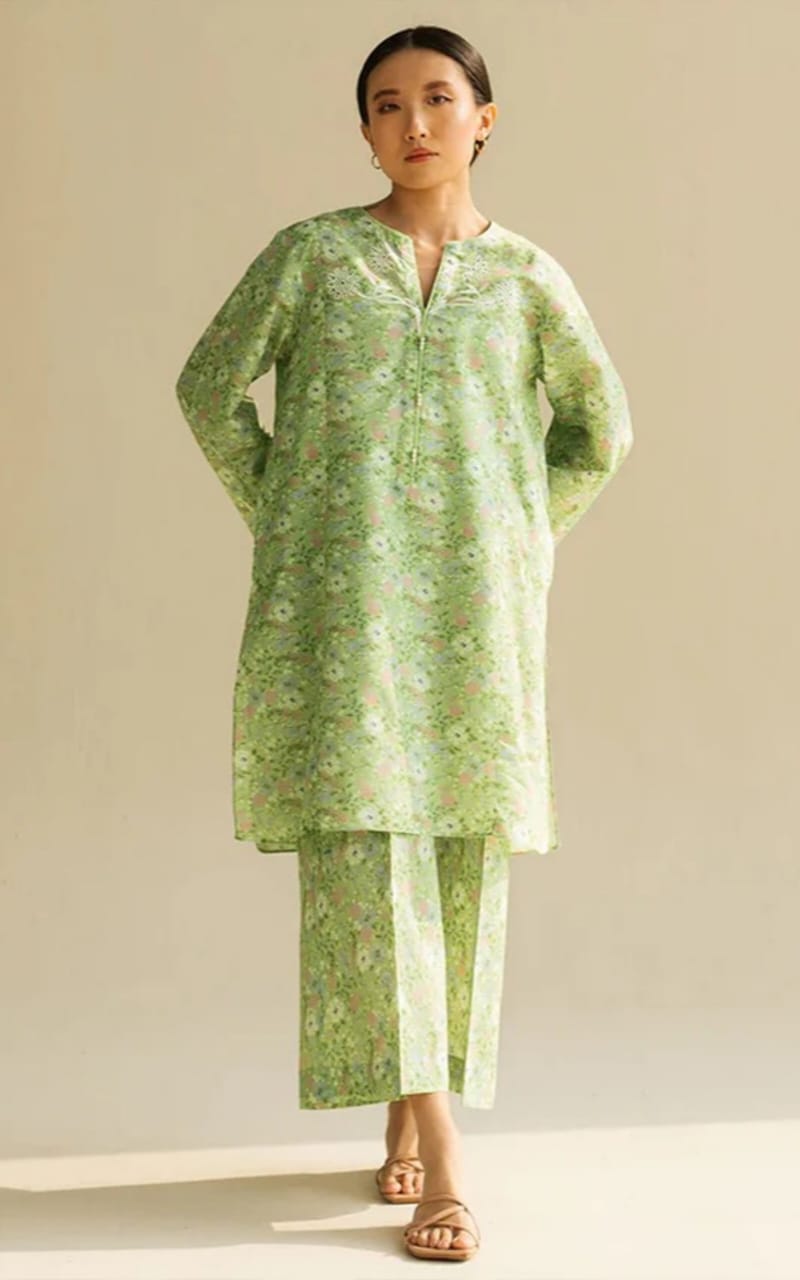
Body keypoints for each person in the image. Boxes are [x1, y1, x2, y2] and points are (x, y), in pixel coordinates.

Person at [175, 23, 634, 1264]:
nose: (414, 122)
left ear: (484, 118)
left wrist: (519, 533)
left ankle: (406, 1104)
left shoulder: (526, 276)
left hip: (476, 615)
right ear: (365, 131)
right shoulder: (313, 258)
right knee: (368, 855)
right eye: (387, 104)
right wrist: (291, 513)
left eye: (438, 98)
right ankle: (444, 1154)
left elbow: (599, 430)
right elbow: (209, 386)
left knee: (461, 860)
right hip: (345, 615)